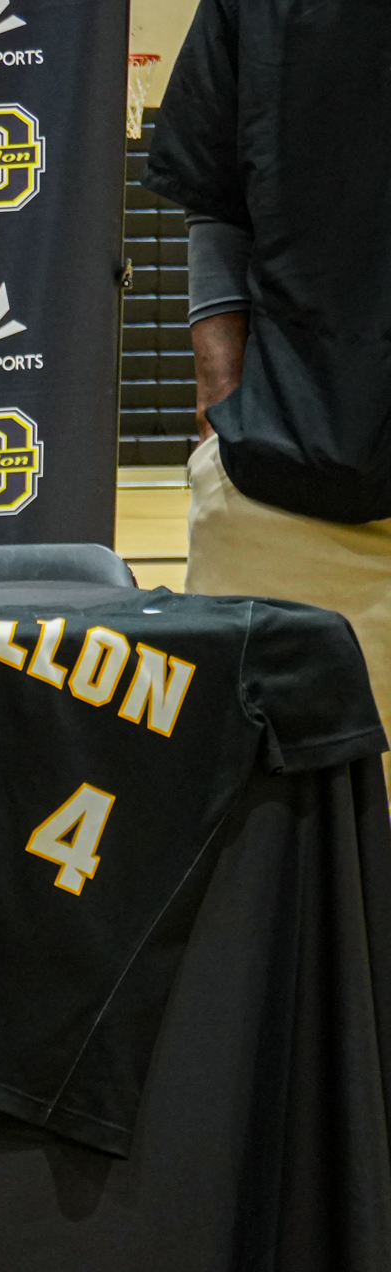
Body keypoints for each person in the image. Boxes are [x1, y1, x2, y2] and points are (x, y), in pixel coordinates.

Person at [143, 0, 391, 755]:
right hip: (285, 488)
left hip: (288, 456)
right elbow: (215, 194)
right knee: (265, 847)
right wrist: (222, 399)